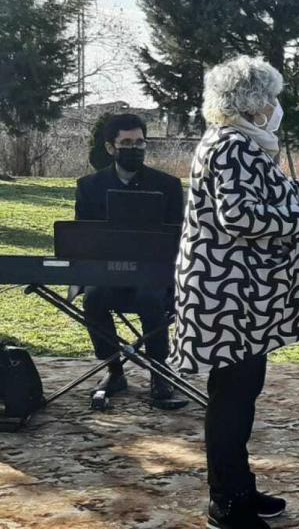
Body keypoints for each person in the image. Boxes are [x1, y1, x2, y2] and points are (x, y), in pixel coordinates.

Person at [171, 55, 299, 529]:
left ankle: (240, 487)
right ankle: (226, 502)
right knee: (232, 396)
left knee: (240, 391)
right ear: (252, 101)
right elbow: (240, 216)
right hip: (228, 295)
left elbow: (276, 188)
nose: (276, 106)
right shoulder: (232, 145)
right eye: (271, 97)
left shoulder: (241, 143)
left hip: (237, 294)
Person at [74, 113, 185, 409]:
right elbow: (83, 238)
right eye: (126, 142)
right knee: (93, 299)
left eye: (139, 142)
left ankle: (159, 375)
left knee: (151, 299)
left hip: (155, 273)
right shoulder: (88, 186)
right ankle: (114, 371)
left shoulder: (169, 185)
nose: (134, 148)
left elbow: (179, 238)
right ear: (111, 147)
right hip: (108, 273)